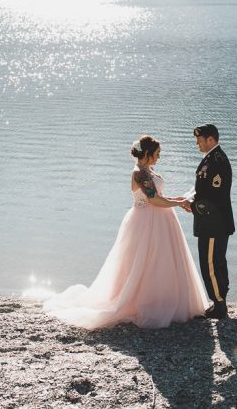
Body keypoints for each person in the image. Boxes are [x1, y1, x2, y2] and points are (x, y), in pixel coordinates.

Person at [43, 135, 209, 329]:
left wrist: (177, 198)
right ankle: (145, 301)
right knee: (144, 261)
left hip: (161, 219)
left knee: (162, 260)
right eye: (156, 154)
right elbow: (153, 200)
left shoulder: (148, 170)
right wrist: (180, 203)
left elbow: (159, 196)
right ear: (146, 154)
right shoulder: (138, 173)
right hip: (145, 221)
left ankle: (165, 299)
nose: (158, 157)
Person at [182, 123, 235, 320]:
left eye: (199, 140)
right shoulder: (211, 159)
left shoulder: (217, 161)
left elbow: (215, 196)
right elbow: (203, 189)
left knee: (211, 263)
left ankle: (219, 305)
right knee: (215, 261)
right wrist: (190, 198)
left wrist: (193, 206)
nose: (197, 143)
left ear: (210, 139)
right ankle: (219, 302)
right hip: (211, 221)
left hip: (214, 223)